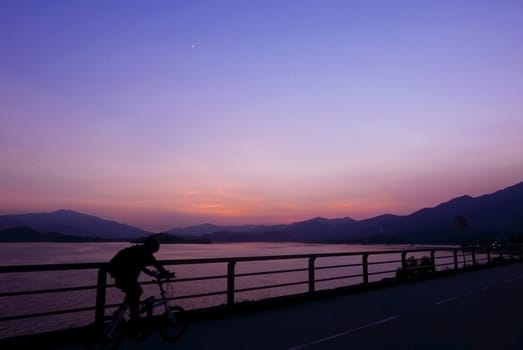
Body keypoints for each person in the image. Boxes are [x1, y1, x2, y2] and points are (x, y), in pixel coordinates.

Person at [107, 235, 172, 335]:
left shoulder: (138, 250)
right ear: (150, 246)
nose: (152, 253)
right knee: (136, 291)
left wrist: (151, 273)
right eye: (153, 250)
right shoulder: (145, 253)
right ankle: (135, 322)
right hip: (121, 274)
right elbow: (157, 265)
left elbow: (140, 265)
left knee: (133, 293)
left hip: (118, 272)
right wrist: (166, 274)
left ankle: (121, 312)